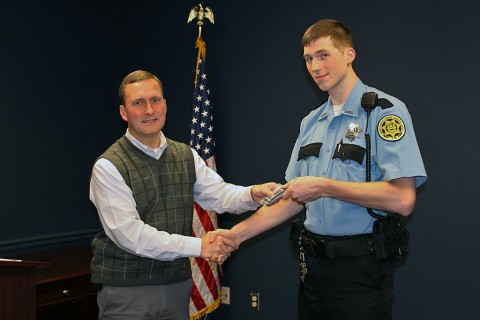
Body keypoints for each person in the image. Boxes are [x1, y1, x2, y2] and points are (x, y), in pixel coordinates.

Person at [230, 19, 427, 320]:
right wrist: (235, 235)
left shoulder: (384, 113)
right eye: (308, 58)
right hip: (313, 269)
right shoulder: (311, 122)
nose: (315, 66)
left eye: (323, 55)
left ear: (349, 54)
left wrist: (324, 186)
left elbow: (403, 199)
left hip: (361, 270)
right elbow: (292, 199)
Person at [89, 70, 277, 320]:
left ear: (165, 105)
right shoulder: (109, 166)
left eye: (155, 100)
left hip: (178, 287)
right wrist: (200, 247)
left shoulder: (185, 155)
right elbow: (131, 236)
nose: (149, 110)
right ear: (124, 113)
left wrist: (253, 194)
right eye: (138, 103)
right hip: (128, 292)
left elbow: (218, 194)